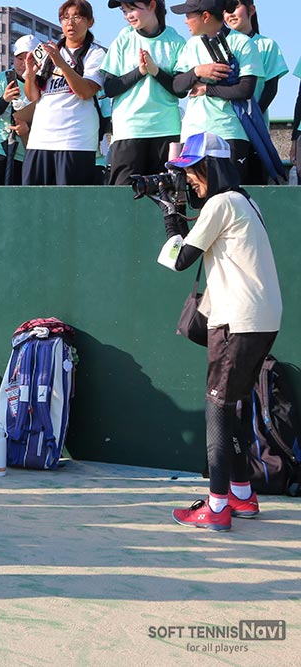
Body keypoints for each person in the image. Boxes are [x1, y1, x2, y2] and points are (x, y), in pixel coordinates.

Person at [154, 132, 280, 531]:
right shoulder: (246, 202)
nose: (189, 178)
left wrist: (170, 219)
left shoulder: (221, 204)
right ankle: (242, 495)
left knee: (218, 410)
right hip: (261, 320)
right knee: (234, 407)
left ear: (212, 167)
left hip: (236, 322)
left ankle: (216, 505)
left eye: (193, 169)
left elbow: (180, 260)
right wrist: (178, 212)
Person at [171, 0, 262, 183]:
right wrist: (197, 71)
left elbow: (245, 90)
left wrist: (207, 89)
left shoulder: (242, 42)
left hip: (230, 132)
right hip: (193, 133)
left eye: (188, 15)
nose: (185, 21)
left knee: (230, 193)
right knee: (197, 195)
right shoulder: (191, 45)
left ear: (205, 16)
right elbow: (178, 86)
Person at [22, 0, 107, 186]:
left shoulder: (95, 54)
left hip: (75, 141)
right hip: (39, 140)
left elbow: (85, 92)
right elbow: (33, 96)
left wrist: (61, 64)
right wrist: (30, 75)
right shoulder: (47, 52)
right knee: (33, 198)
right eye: (65, 18)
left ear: (90, 22)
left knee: (70, 200)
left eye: (77, 17)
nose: (70, 23)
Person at [101, 1, 186, 187]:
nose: (128, 16)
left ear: (152, 5)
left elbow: (181, 90)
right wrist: (140, 71)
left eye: (132, 9)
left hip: (166, 129)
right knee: (124, 193)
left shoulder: (176, 41)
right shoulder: (123, 40)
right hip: (129, 129)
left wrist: (156, 71)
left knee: (166, 193)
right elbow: (110, 87)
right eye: (124, 11)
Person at [223, 0, 288, 184]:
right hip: (226, 129)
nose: (230, 14)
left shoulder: (267, 45)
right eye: (226, 9)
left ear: (251, 9)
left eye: (235, 7)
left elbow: (271, 88)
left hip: (255, 132)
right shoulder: (218, 43)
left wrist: (251, 118)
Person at [0, 35, 37, 186]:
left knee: (17, 197)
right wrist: (5, 99)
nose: (24, 63)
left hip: (25, 150)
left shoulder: (43, 84)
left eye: (30, 59)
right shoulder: (0, 79)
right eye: (20, 58)